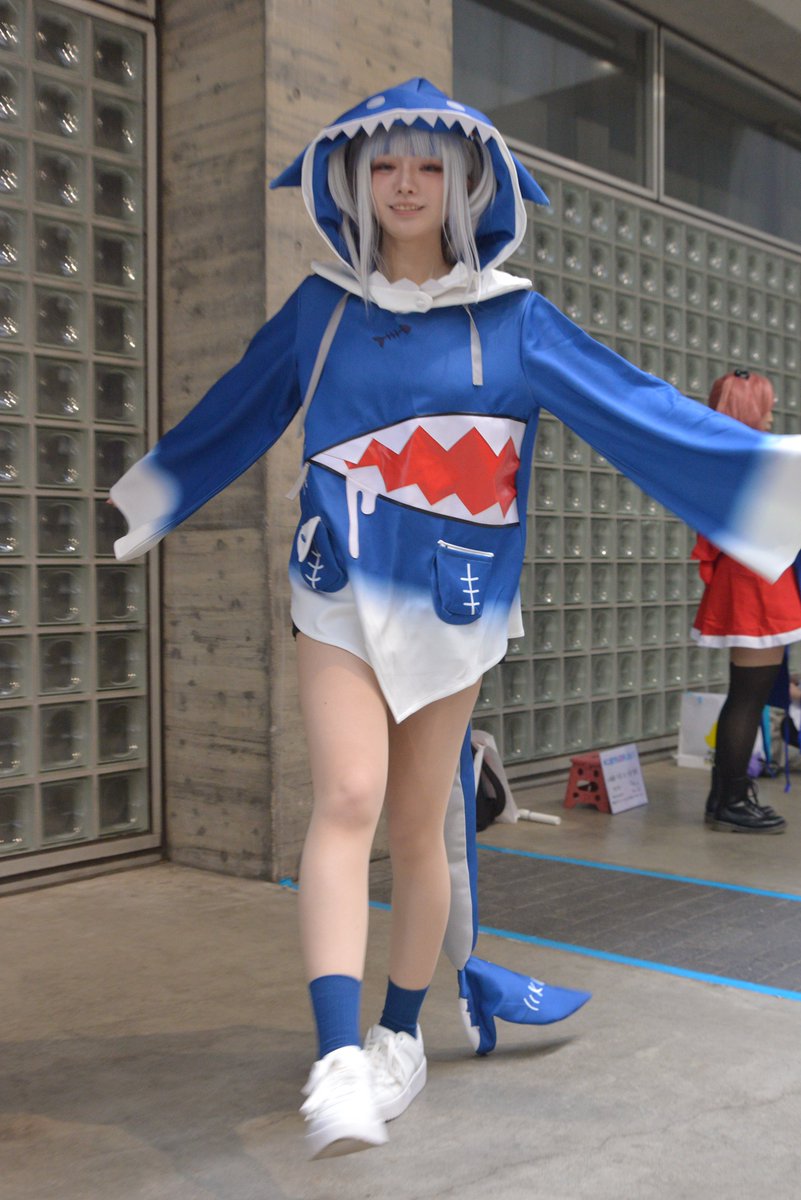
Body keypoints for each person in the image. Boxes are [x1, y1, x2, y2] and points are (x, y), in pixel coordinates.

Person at [109, 79, 801, 1158]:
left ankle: (398, 1033)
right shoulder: (320, 311)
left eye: (428, 165)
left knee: (419, 825)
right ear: (353, 176)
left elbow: (637, 410)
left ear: (467, 180)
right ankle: (338, 1057)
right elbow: (235, 409)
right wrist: (143, 502)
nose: (405, 185)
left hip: (457, 603)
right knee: (347, 795)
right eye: (385, 164)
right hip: (337, 587)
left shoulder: (516, 319)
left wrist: (767, 481)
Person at [690, 370, 801, 833]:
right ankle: (732, 800)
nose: (772, 414)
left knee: (745, 695)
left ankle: (725, 797)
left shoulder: (719, 455)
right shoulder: (760, 457)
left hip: (747, 579)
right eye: (766, 405)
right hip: (759, 584)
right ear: (751, 408)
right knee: (748, 698)